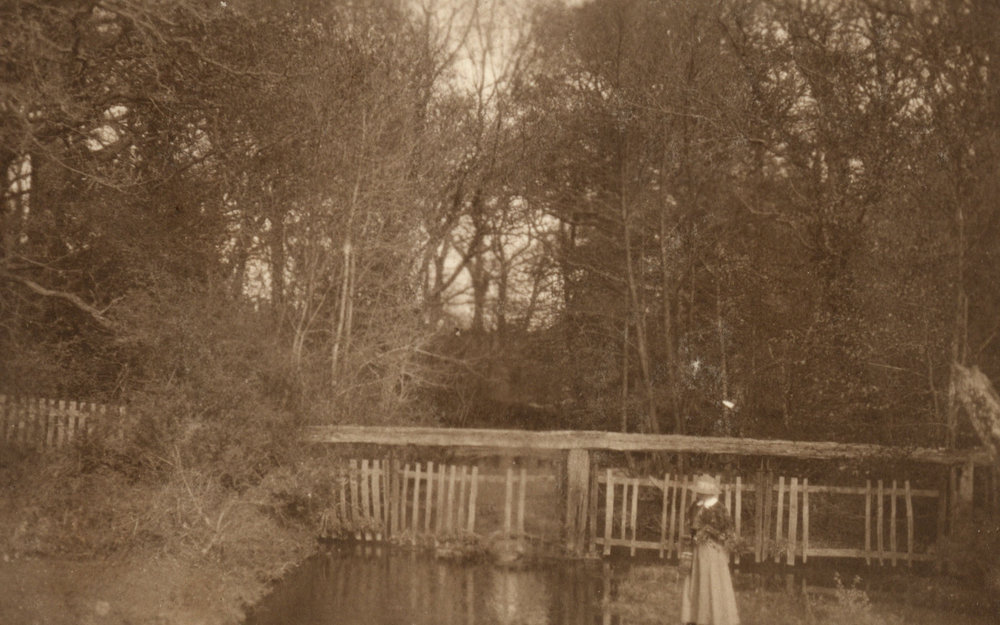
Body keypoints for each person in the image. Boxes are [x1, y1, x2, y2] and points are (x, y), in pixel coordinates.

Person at [679, 473, 740, 625]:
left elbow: (728, 533)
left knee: (713, 583)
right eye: (699, 492)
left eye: (703, 492)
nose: (700, 495)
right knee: (697, 582)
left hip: (713, 552)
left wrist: (708, 532)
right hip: (697, 550)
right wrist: (690, 541)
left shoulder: (719, 509)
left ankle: (716, 618)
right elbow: (689, 528)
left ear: (711, 493)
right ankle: (696, 617)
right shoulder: (694, 506)